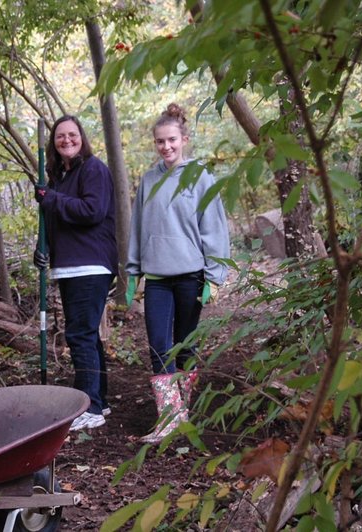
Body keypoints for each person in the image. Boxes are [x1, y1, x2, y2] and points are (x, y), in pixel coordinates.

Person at [125, 103, 230, 444]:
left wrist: (214, 276)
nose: (166, 147)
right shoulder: (149, 179)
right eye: (159, 142)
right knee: (158, 345)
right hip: (157, 278)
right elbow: (139, 226)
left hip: (190, 276)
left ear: (183, 139)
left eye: (171, 140)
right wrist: (132, 272)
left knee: (186, 345)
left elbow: (214, 228)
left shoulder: (200, 177)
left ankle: (182, 409)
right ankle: (170, 418)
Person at [34, 115, 118, 431]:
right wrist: (42, 248)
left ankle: (90, 406)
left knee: (79, 335)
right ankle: (101, 400)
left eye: (72, 134)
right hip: (68, 266)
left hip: (90, 265)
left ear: (81, 137)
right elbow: (57, 219)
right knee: (87, 335)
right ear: (53, 143)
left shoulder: (93, 169)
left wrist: (51, 198)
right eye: (60, 136)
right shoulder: (59, 177)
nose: (66, 140)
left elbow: (92, 211)